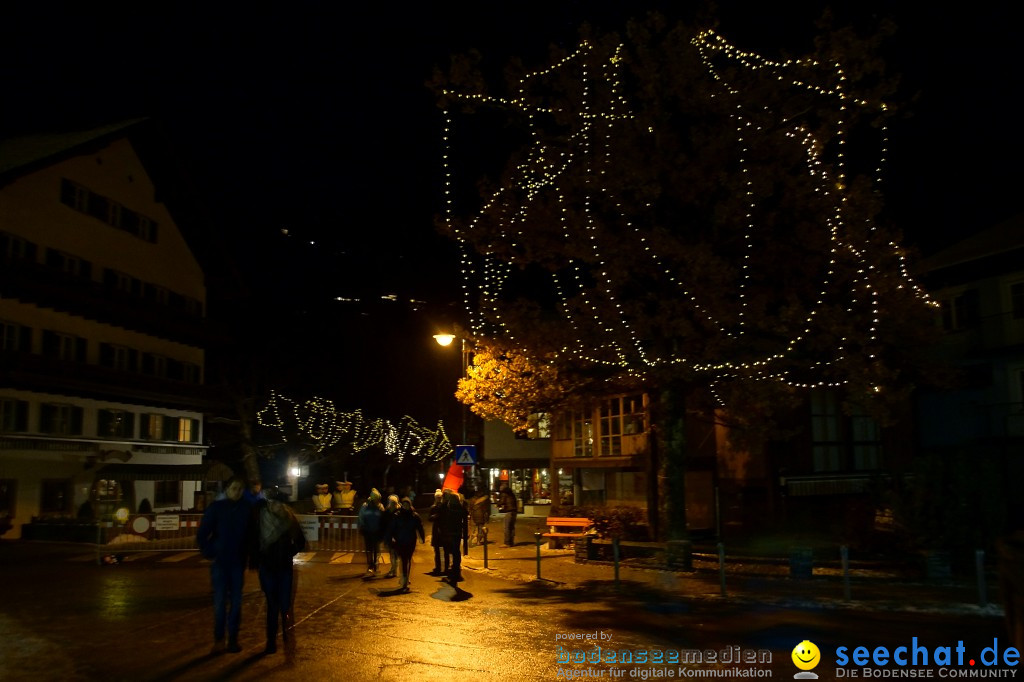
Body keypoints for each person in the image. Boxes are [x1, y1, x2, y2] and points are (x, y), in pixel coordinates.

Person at [196, 475, 252, 653]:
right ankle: (219, 639)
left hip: (238, 563)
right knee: (220, 602)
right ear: (227, 489)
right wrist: (209, 552)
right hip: (220, 563)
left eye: (240, 489)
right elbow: (203, 533)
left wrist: (250, 556)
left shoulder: (246, 509)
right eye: (234, 488)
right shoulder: (216, 508)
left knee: (236, 602)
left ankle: (233, 639)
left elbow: (252, 535)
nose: (237, 492)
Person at [248, 487, 305, 655]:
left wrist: (289, 551)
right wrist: (256, 558)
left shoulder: (289, 519)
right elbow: (252, 540)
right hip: (267, 567)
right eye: (271, 502)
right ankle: (271, 641)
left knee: (285, 603)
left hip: (284, 567)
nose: (275, 506)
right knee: (272, 604)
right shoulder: (260, 518)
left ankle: (287, 631)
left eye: (278, 503)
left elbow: (301, 542)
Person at [388, 497, 425, 591]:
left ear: (410, 505)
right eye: (404, 504)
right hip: (400, 541)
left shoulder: (414, 516)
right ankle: (404, 578)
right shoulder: (397, 515)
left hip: (411, 541)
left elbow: (420, 527)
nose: (405, 506)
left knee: (407, 559)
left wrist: (422, 537)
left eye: (407, 504)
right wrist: (391, 537)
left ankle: (405, 578)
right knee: (404, 560)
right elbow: (392, 527)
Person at [437, 489, 469, 582]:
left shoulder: (449, 509)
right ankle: (456, 568)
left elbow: (445, 521)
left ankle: (453, 569)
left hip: (450, 532)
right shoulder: (460, 508)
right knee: (456, 551)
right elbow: (465, 517)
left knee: (450, 550)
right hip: (458, 532)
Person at [357, 488, 384, 574]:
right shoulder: (365, 506)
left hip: (377, 531)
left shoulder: (380, 506)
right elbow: (361, 517)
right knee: (369, 549)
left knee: (376, 549)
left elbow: (383, 518)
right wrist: (362, 526)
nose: (377, 500)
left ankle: (375, 564)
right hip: (368, 531)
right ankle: (370, 565)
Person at [428, 489, 449, 575]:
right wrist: (435, 516)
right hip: (437, 531)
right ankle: (438, 568)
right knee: (437, 551)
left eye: (440, 497)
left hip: (443, 531)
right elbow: (429, 518)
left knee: (446, 551)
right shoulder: (433, 507)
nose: (439, 499)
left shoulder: (445, 507)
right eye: (437, 497)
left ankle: (446, 569)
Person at [382, 494, 400, 578]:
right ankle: (394, 569)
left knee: (395, 553)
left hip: (397, 535)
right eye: (391, 503)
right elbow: (384, 523)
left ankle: (394, 570)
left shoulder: (399, 511)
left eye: (393, 503)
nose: (392, 504)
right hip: (389, 535)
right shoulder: (387, 512)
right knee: (392, 553)